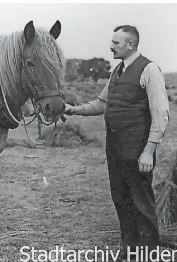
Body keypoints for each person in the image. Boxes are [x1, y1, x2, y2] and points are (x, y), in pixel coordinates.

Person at [64, 25, 169, 261]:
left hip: (137, 150)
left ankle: (149, 254)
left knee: (141, 202)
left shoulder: (149, 69)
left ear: (131, 44)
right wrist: (73, 109)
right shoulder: (117, 71)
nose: (111, 46)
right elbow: (101, 103)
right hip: (114, 148)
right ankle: (130, 250)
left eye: (116, 43)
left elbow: (161, 113)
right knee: (121, 198)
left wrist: (148, 151)